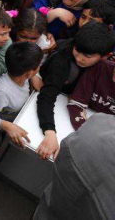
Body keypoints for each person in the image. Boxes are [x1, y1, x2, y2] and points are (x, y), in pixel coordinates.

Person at [36, 22, 115, 160]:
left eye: (87, 56)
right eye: (77, 51)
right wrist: (49, 133)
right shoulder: (63, 63)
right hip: (58, 102)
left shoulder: (103, 67)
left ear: (105, 56)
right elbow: (46, 97)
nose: (79, 58)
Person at [0, 41, 44, 145]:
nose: (40, 68)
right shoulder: (2, 92)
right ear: (29, 72)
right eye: (39, 65)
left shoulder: (22, 74)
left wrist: (35, 77)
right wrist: (6, 125)